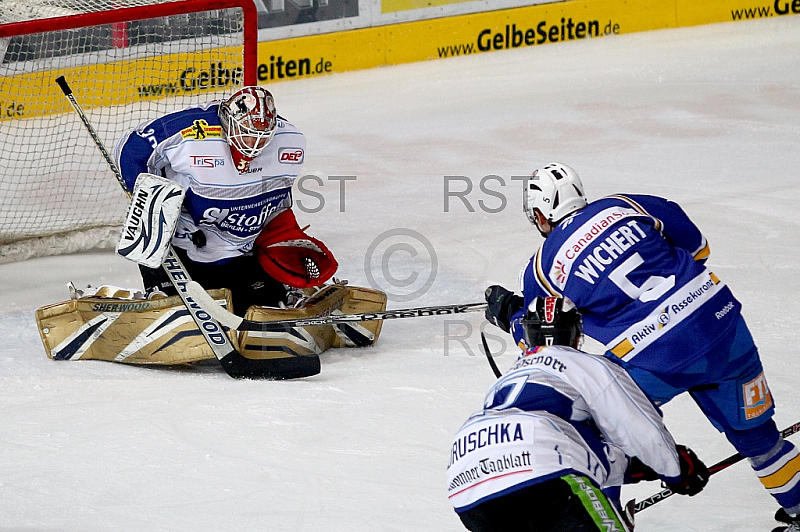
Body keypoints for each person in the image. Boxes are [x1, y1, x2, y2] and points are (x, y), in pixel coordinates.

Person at [484, 163, 800, 531]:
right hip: (722, 325)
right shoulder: (626, 204)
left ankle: (609, 524)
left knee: (603, 437)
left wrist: (509, 312)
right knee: (759, 437)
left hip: (655, 358)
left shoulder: (541, 267)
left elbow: (543, 339)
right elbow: (698, 247)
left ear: (540, 215)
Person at [113, 86, 337, 378]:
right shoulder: (190, 133)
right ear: (229, 121)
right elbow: (129, 150)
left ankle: (280, 294)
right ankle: (161, 290)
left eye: (262, 137)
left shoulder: (290, 141)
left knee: (261, 314)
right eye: (247, 134)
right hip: (183, 253)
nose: (254, 144)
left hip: (238, 254)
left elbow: (278, 201)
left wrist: (280, 237)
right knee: (182, 317)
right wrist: (151, 199)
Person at [449, 295, 709, 532]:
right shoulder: (589, 365)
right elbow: (638, 428)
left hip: (469, 489)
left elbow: (566, 450)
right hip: (543, 478)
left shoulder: (504, 382)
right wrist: (675, 469)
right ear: (576, 333)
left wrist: (636, 468)